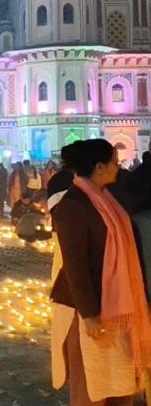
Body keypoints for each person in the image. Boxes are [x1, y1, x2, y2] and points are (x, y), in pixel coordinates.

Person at [51, 139, 151, 406]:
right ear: (99, 167)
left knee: (120, 383)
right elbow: (75, 265)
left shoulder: (106, 200)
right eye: (115, 163)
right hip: (88, 312)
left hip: (117, 310)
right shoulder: (73, 205)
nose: (119, 168)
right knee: (92, 387)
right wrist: (91, 314)